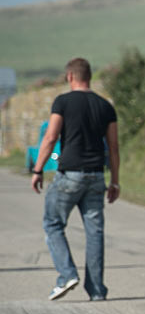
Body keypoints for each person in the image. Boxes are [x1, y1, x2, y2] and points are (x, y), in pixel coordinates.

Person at [30, 58, 120, 301]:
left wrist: (38, 169)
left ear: (70, 76)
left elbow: (50, 138)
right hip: (96, 177)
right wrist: (115, 181)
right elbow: (113, 147)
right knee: (95, 233)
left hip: (70, 174)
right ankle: (97, 291)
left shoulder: (63, 102)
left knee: (53, 224)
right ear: (89, 76)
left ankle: (66, 275)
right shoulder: (105, 106)